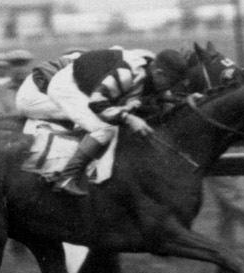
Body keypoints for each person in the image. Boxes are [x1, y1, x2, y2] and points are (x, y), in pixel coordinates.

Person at [19, 46, 191, 196]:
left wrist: (187, 100)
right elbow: (97, 103)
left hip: (83, 87)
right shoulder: (126, 74)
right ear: (159, 73)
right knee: (104, 129)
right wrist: (129, 118)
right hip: (66, 87)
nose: (169, 88)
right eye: (170, 83)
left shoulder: (149, 71)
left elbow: (161, 97)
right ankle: (66, 177)